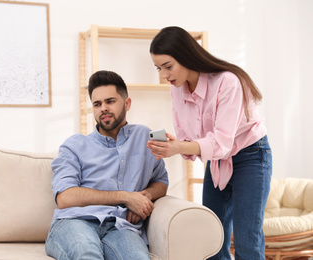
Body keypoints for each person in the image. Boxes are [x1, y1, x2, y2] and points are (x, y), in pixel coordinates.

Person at [147, 26, 272, 260]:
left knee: (247, 241)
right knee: (211, 240)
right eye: (159, 68)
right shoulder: (177, 90)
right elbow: (190, 139)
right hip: (216, 161)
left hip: (251, 156)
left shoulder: (228, 82)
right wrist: (176, 144)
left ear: (185, 56)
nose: (164, 75)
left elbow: (222, 142)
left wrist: (180, 148)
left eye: (168, 66)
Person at [45, 70, 169, 260]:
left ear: (127, 104)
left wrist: (144, 198)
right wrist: (126, 198)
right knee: (86, 254)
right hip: (76, 222)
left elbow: (161, 181)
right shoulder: (74, 145)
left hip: (122, 226)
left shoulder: (145, 137)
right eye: (97, 104)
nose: (103, 108)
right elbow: (65, 197)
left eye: (110, 101)